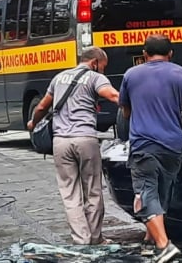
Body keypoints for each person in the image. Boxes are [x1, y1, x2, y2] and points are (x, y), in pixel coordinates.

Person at [27, 47, 119, 245]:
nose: (103, 70)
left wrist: (33, 123)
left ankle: (81, 240)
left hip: (60, 141)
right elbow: (113, 96)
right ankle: (95, 237)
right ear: (95, 62)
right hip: (85, 138)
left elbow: (42, 106)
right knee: (93, 190)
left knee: (69, 193)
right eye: (103, 66)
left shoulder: (59, 78)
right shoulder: (95, 77)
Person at [119, 34, 182, 263]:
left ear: (144, 53)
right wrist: (181, 124)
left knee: (145, 195)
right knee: (162, 193)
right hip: (173, 145)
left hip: (144, 145)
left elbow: (125, 112)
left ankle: (164, 245)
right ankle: (150, 241)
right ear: (171, 53)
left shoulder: (131, 75)